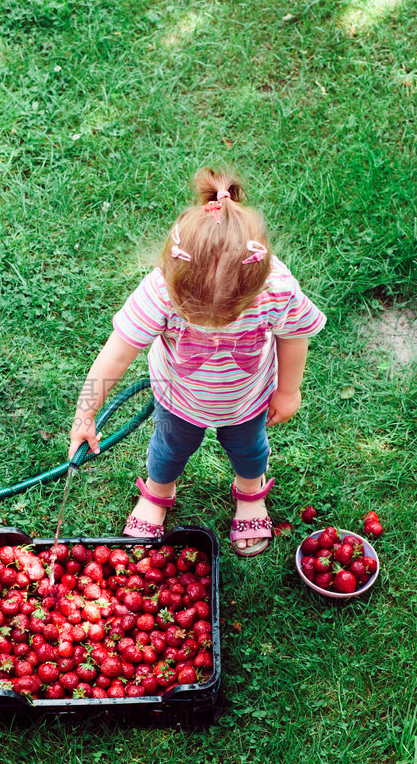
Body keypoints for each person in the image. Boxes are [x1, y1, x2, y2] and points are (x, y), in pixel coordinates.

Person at [68, 168, 326, 556]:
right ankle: (158, 494)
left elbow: (294, 334)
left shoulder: (276, 287)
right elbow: (113, 357)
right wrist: (85, 414)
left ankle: (250, 493)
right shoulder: (159, 292)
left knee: (250, 450)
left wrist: (288, 391)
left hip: (247, 399)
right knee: (168, 450)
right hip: (178, 397)